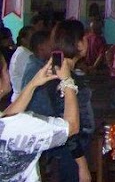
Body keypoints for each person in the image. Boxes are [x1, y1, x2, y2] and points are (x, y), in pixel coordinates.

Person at [24, 20, 93, 182]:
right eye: (84, 38)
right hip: (71, 152)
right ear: (79, 44)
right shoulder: (65, 78)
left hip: (73, 149)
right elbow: (68, 125)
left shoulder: (60, 72)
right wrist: (81, 164)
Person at [0, 53, 80, 181]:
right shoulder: (22, 126)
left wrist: (33, 84)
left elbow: (6, 117)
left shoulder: (6, 122)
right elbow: (71, 127)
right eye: (5, 69)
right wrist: (67, 81)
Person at [9, 25, 35, 102]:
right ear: (24, 40)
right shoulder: (24, 54)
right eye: (32, 37)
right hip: (22, 98)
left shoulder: (23, 52)